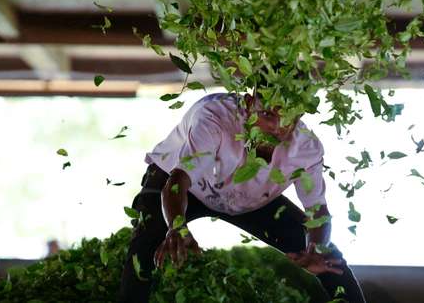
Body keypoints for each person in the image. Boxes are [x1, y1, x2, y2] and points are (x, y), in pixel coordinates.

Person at [118, 91, 366, 302]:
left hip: (250, 197)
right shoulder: (215, 118)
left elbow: (317, 211)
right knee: (145, 248)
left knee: (330, 260)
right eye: (268, 114)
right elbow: (178, 181)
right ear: (248, 104)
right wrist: (176, 226)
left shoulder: (306, 148)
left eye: (288, 117)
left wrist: (316, 247)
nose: (276, 125)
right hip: (180, 186)